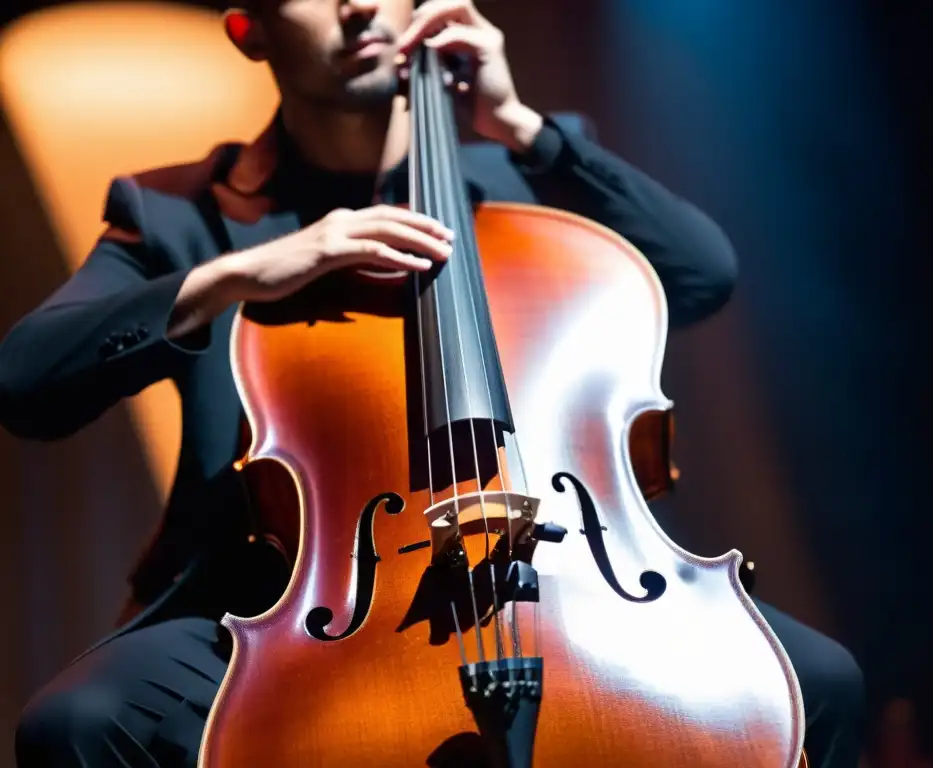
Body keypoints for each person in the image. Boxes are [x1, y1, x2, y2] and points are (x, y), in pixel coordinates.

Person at [0, 0, 864, 765]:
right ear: (248, 28)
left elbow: (702, 274)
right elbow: (28, 380)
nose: (355, 7)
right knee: (80, 723)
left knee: (819, 680)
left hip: (555, 581)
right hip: (286, 604)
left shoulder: (528, 177)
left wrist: (522, 123)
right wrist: (239, 274)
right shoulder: (183, 211)